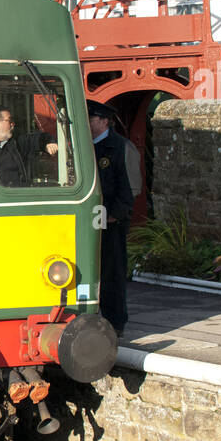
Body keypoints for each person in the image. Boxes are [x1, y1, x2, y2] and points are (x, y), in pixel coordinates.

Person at [87, 100, 135, 335]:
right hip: (89, 221)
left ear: (104, 121)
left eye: (91, 118)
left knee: (112, 273)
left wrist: (115, 215)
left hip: (111, 222)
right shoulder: (85, 146)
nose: (87, 123)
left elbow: (132, 186)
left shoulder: (121, 147)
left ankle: (116, 323)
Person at [0, 106, 57, 187]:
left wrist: (48, 143)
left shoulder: (17, 143)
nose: (13, 124)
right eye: (9, 121)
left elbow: (38, 138)